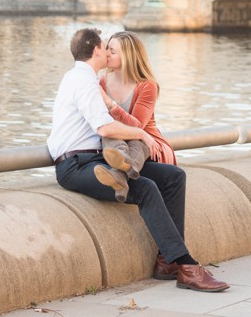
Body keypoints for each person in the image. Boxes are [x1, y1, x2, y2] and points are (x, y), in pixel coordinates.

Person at [47, 27, 228, 292]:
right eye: (105, 47)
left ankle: (167, 261)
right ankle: (187, 267)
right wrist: (141, 134)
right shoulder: (86, 81)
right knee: (145, 188)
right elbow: (105, 128)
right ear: (96, 50)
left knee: (173, 177)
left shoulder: (82, 77)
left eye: (113, 49)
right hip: (76, 165)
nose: (107, 52)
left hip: (98, 159)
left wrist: (138, 134)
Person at [100, 31, 176, 165]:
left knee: (135, 143)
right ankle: (121, 171)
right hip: (117, 140)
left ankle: (122, 172)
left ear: (127, 57)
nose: (106, 54)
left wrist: (110, 104)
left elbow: (138, 126)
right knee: (109, 136)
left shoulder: (147, 85)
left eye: (112, 51)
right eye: (107, 49)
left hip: (147, 142)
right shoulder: (101, 82)